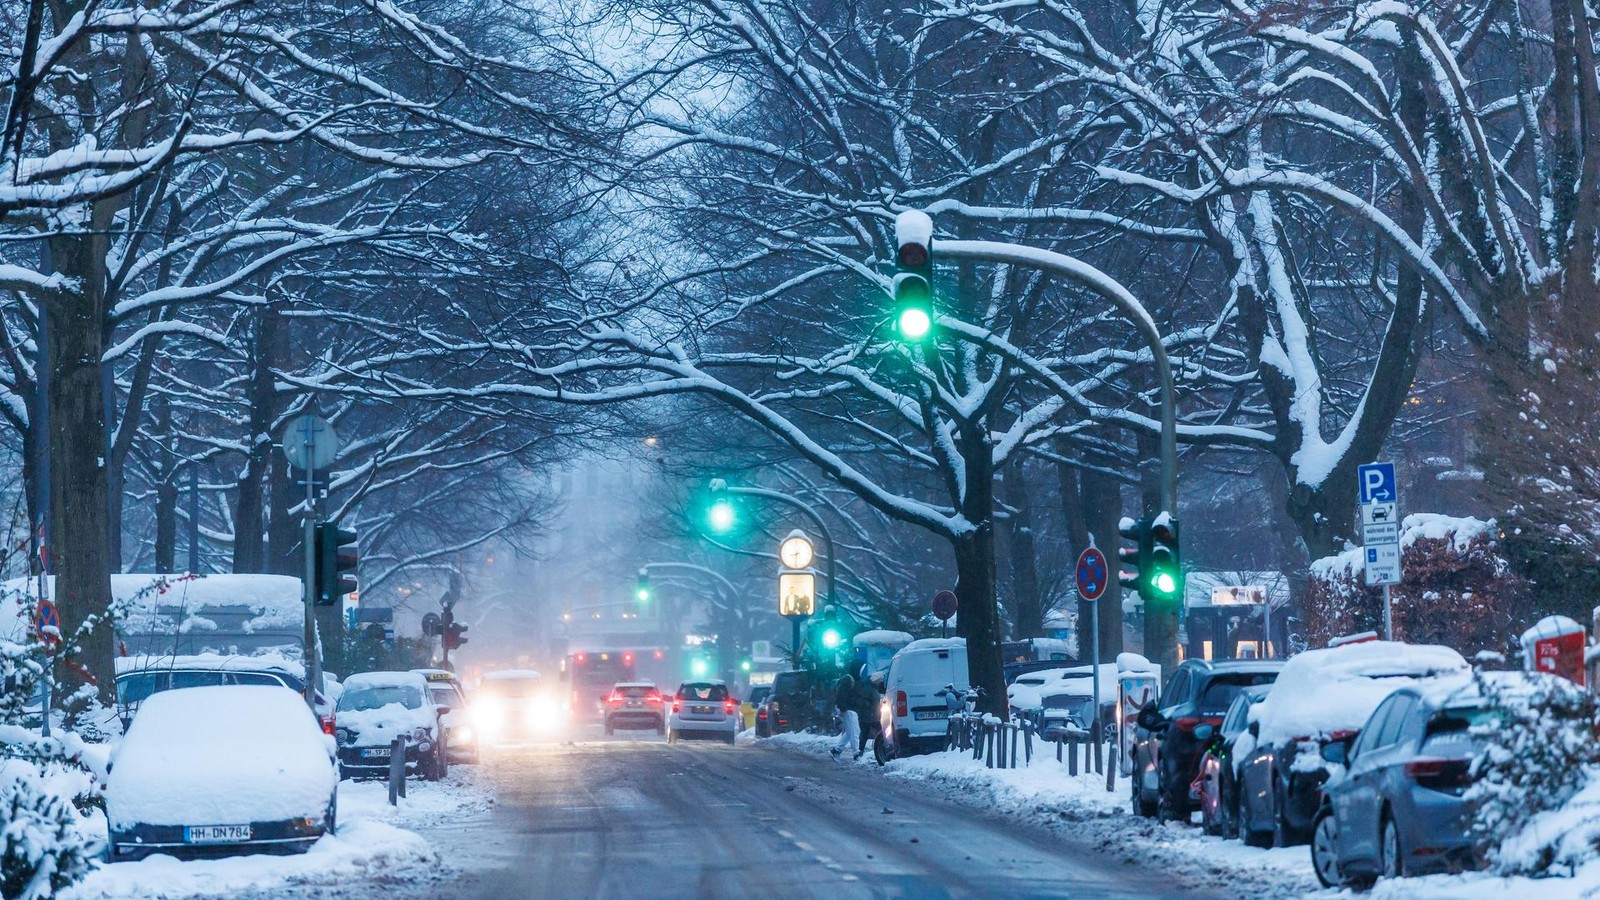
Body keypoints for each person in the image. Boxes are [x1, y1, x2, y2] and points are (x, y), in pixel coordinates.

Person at [830, 674, 859, 759]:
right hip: (848, 710)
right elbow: (842, 696)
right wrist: (843, 708)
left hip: (846, 709)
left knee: (852, 731)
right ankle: (856, 753)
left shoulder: (844, 684)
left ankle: (837, 749)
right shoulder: (847, 684)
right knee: (854, 731)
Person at [853, 671, 880, 759]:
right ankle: (860, 751)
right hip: (868, 715)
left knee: (865, 733)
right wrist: (870, 707)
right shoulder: (868, 688)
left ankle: (860, 751)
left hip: (870, 714)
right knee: (869, 732)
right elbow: (863, 701)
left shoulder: (869, 687)